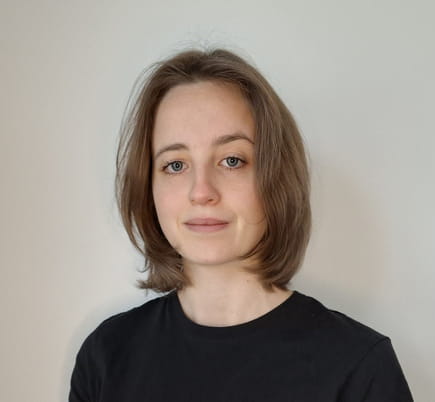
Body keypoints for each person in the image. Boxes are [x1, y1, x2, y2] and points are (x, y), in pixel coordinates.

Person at [69, 48, 414, 401]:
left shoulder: (359, 368)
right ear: (148, 189)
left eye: (232, 160)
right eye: (175, 165)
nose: (201, 192)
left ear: (276, 177)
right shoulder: (106, 357)